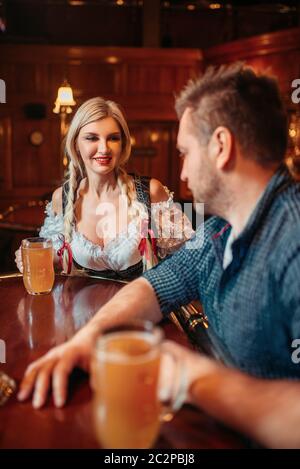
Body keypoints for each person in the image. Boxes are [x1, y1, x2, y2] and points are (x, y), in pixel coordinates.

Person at [18, 63, 300, 412]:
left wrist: (194, 380)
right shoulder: (217, 232)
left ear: (221, 146)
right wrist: (88, 339)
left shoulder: (293, 241)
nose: (181, 172)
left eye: (184, 152)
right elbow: (154, 285)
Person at [15, 97, 193, 279]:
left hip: (142, 305)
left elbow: (192, 256)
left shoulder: (152, 191)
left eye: (113, 138)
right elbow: (58, 258)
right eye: (91, 138)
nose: (104, 148)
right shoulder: (61, 197)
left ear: (123, 144)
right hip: (83, 306)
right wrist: (33, 259)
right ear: (76, 144)